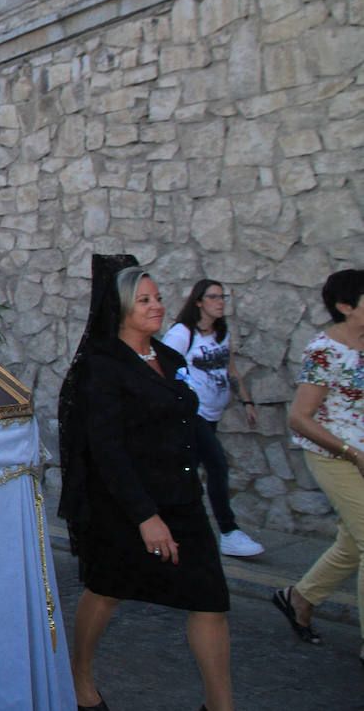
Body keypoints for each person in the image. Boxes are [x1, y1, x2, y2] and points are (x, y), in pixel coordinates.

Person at [58, 256, 233, 711]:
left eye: (157, 298)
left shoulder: (168, 356)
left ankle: (220, 705)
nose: (157, 307)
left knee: (211, 601)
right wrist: (145, 516)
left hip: (182, 499)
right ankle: (80, 679)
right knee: (108, 590)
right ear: (119, 309)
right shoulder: (102, 365)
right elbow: (106, 449)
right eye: (144, 300)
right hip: (126, 505)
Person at [273, 269, 364, 668]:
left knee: (352, 543)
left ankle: (299, 599)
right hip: (336, 455)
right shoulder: (325, 350)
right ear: (346, 307)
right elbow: (300, 417)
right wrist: (354, 454)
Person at [163, 280, 265, 557]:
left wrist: (246, 401)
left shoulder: (221, 332)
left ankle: (167, 523)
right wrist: (183, 395)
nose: (220, 302)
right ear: (199, 301)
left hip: (212, 414)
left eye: (222, 297)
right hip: (192, 414)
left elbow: (230, 369)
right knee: (217, 465)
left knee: (187, 471)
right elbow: (163, 368)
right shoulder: (182, 334)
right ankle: (229, 532)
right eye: (213, 297)